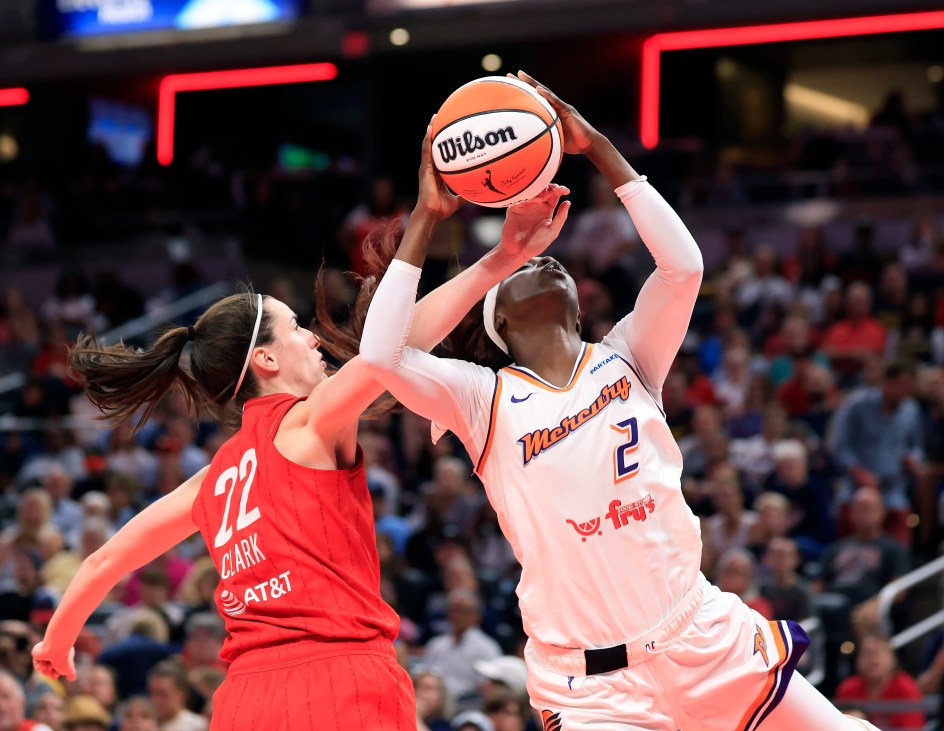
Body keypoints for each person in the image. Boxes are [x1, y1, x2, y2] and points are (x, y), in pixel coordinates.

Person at [359, 70, 881, 730]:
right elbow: (379, 357)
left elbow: (683, 266)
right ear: (502, 325)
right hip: (593, 687)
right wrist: (434, 221)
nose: (542, 263)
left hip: (702, 636)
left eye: (550, 263)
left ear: (580, 306)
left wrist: (601, 149)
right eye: (519, 272)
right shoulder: (481, 397)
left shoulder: (628, 355)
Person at [31, 145, 567, 730]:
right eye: (296, 330)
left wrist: (56, 643)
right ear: (264, 358)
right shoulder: (311, 421)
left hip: (244, 703)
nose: (313, 339)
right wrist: (496, 257)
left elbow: (104, 560)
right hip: (342, 682)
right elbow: (393, 349)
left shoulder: (209, 482)